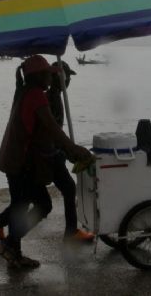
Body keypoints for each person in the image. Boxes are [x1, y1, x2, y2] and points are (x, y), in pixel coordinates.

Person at [0, 55, 92, 269]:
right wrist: (74, 149)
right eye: (47, 74)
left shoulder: (27, 92)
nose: (50, 79)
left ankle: (10, 244)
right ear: (37, 76)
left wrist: (68, 150)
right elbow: (53, 130)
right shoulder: (36, 96)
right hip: (18, 162)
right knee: (35, 204)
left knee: (27, 204)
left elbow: (45, 133)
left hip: (14, 159)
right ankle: (10, 246)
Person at [47, 60, 95, 242]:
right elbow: (54, 132)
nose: (68, 82)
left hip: (53, 152)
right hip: (49, 154)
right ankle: (71, 232)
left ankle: (0, 224)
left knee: (34, 198)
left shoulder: (55, 96)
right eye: (66, 78)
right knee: (67, 189)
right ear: (59, 78)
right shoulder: (52, 98)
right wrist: (69, 151)